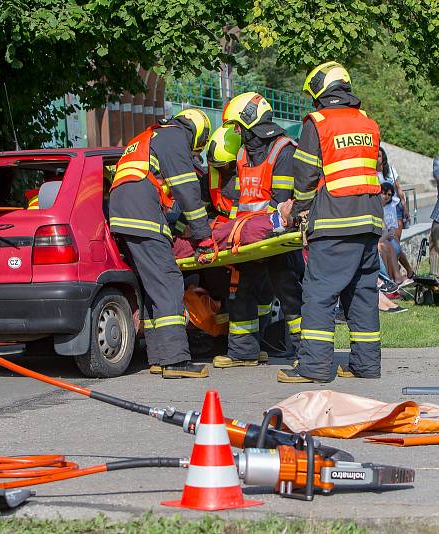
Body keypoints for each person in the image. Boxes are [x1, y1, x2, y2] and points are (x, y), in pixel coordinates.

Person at [278, 61, 384, 384]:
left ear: (321, 92)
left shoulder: (318, 123)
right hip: (369, 221)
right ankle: (366, 365)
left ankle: (314, 367)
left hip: (335, 222)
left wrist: (296, 210)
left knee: (319, 293)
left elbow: (306, 175)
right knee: (363, 294)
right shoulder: (368, 122)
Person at [109, 108, 214, 379]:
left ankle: (158, 357)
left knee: (152, 285)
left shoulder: (149, 137)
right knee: (168, 281)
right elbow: (187, 191)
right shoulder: (174, 138)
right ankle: (175, 360)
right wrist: (203, 237)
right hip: (142, 215)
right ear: (196, 133)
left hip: (123, 215)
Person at [213, 91, 303, 369]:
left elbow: (282, 201)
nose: (236, 132)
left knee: (288, 292)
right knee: (240, 291)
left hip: (275, 237)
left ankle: (305, 353)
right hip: (246, 239)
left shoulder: (283, 150)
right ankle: (243, 352)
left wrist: (258, 228)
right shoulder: (242, 153)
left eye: (238, 127)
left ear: (249, 123)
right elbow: (240, 201)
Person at [378, 182, 414, 288]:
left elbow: (392, 226)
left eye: (389, 195)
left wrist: (390, 233)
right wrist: (387, 235)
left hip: (387, 234)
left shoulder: (391, 207)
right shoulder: (375, 207)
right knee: (387, 246)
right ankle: (390, 278)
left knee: (393, 246)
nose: (386, 196)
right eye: (384, 193)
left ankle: (396, 278)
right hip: (381, 236)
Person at [377, 146, 409, 224]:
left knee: (396, 235)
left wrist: (405, 207)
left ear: (383, 158)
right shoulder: (371, 173)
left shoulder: (391, 170)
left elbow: (398, 189)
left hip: (395, 207)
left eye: (378, 156)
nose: (376, 158)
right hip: (381, 209)